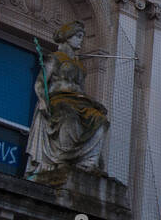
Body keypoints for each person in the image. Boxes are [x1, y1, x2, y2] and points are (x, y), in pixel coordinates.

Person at [25, 21, 108, 181]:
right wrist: (43, 100)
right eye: (77, 36)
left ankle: (88, 162)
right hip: (58, 99)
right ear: (67, 37)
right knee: (69, 116)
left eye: (82, 37)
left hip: (77, 101)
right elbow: (41, 83)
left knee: (100, 120)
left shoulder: (79, 65)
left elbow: (80, 90)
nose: (80, 41)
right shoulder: (55, 58)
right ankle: (64, 158)